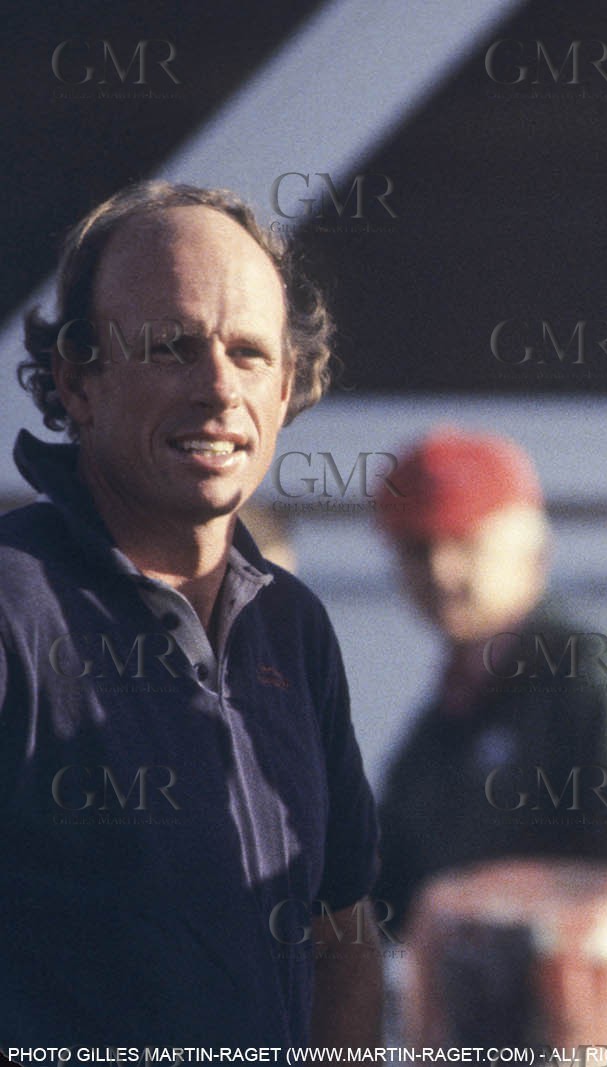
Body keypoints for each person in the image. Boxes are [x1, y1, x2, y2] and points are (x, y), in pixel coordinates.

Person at [0, 182, 382, 1045]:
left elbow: (343, 932)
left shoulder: (294, 627)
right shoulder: (12, 612)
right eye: (170, 347)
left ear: (287, 386)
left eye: (249, 353)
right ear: (77, 380)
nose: (218, 386)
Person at [372, 427, 607, 1042]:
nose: (442, 570)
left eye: (464, 541)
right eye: (419, 549)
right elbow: (386, 893)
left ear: (531, 545)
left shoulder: (598, 687)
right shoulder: (441, 719)